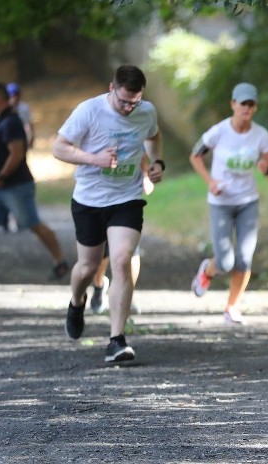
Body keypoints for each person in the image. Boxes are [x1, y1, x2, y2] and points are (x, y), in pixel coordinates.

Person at [53, 65, 165, 364]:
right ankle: (77, 302)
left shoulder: (147, 111)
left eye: (135, 102)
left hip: (126, 198)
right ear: (111, 88)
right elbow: (59, 148)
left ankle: (116, 340)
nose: (129, 108)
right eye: (123, 101)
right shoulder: (89, 111)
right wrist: (94, 159)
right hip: (89, 200)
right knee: (87, 268)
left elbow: (153, 137)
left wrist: (157, 163)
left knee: (121, 260)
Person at [189, 82, 268, 324]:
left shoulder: (261, 136)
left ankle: (231, 307)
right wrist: (210, 181)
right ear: (233, 105)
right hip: (221, 203)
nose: (246, 109)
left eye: (251, 104)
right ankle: (208, 269)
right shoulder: (218, 132)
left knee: (244, 258)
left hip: (248, 201)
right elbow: (195, 155)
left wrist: (265, 167)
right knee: (225, 262)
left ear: (255, 108)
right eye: (242, 104)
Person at [0, 82, 70, 277]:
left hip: (15, 185)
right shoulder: (1, 121)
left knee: (32, 223)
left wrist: (1, 177)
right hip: (4, 185)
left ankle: (60, 261)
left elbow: (17, 154)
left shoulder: (11, 122)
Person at [88, 165, 155, 315]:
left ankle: (126, 296)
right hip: (99, 197)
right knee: (103, 251)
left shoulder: (133, 139)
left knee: (129, 250)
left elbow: (140, 151)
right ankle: (99, 285)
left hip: (128, 196)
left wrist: (145, 176)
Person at [7, 82, 35, 148]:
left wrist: (32, 137)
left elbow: (29, 124)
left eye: (15, 95)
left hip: (20, 136)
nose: (14, 98)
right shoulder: (3, 109)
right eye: (12, 96)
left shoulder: (24, 108)